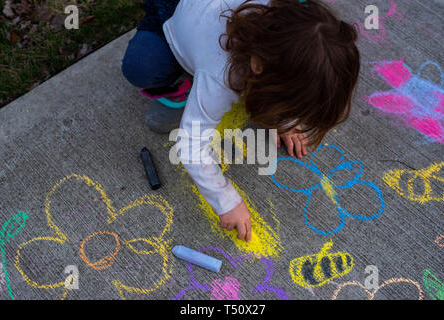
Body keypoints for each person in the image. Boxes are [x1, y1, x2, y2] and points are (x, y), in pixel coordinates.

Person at [121, 0, 360, 242]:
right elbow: (190, 147)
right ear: (257, 65)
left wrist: (283, 119)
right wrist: (226, 201)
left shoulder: (289, 26)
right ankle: (177, 85)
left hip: (208, 19)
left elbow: (297, 70)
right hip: (172, 15)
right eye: (289, 104)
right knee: (142, 66)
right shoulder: (219, 77)